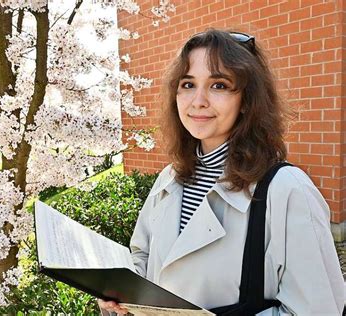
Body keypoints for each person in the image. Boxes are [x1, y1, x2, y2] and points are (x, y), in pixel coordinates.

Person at [99, 29, 344, 315]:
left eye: (219, 85)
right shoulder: (170, 177)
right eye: (188, 84)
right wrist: (119, 295)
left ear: (247, 100)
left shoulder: (287, 190)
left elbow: (319, 309)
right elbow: (142, 255)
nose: (198, 100)